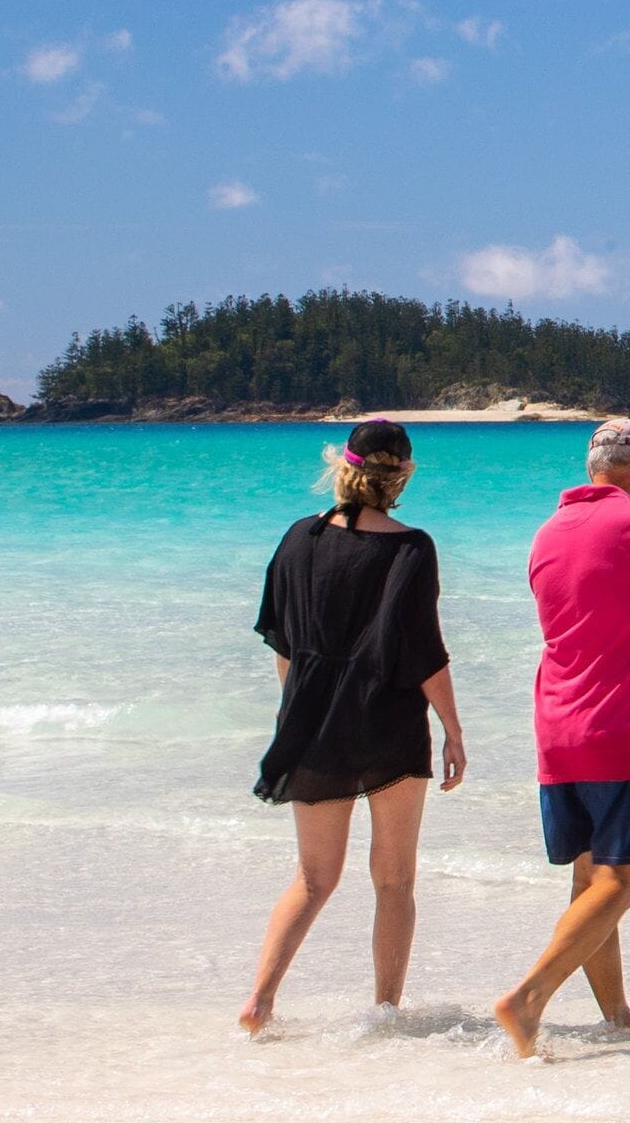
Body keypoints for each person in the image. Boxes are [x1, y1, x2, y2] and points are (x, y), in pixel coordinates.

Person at [240, 418, 467, 1034]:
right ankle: (386, 1011)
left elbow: (280, 639)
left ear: (342, 465)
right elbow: (423, 650)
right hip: (389, 724)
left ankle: (259, 1004)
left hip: (311, 723)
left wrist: (300, 709)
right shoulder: (411, 547)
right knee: (393, 880)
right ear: (404, 474)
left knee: (313, 879)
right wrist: (452, 729)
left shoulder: (296, 539)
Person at [493, 418, 630, 1058]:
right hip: (623, 730)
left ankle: (617, 1016)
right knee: (624, 881)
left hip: (556, 728)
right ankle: (526, 1000)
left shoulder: (546, 533)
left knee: (591, 881)